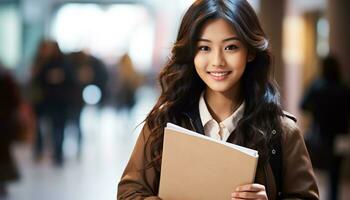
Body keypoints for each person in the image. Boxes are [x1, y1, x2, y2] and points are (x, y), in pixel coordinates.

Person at [117, 0, 319, 199]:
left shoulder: (282, 132)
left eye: (230, 47)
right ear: (191, 53)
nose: (217, 62)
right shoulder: (163, 122)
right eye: (204, 48)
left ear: (249, 52)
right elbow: (129, 192)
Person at [301, 55, 350, 200]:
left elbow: (303, 105)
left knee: (313, 171)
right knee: (335, 173)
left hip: (320, 134)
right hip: (340, 136)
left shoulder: (317, 86)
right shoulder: (343, 87)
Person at [0, 64, 21, 198]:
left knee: (3, 154)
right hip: (4, 122)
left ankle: (2, 182)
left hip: (3, 123)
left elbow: (15, 101)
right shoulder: (6, 77)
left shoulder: (6, 78)